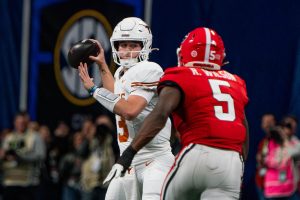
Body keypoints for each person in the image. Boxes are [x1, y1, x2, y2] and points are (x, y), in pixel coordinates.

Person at [107, 27, 250, 200]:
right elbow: (243, 131)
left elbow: (159, 116)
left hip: (196, 152)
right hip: (232, 162)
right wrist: (239, 168)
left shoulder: (180, 75)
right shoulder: (236, 82)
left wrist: (129, 153)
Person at [78, 17, 174, 199]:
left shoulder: (149, 68)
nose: (127, 50)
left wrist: (94, 90)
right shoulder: (121, 73)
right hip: (127, 162)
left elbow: (129, 111)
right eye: (123, 45)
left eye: (133, 45)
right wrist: (102, 65)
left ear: (145, 46)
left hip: (154, 160)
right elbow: (116, 94)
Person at [255, 113, 277, 200]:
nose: (267, 124)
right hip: (261, 184)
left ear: (275, 123)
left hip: (275, 186)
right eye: (265, 122)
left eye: (270, 122)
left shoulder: (281, 141)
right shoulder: (263, 142)